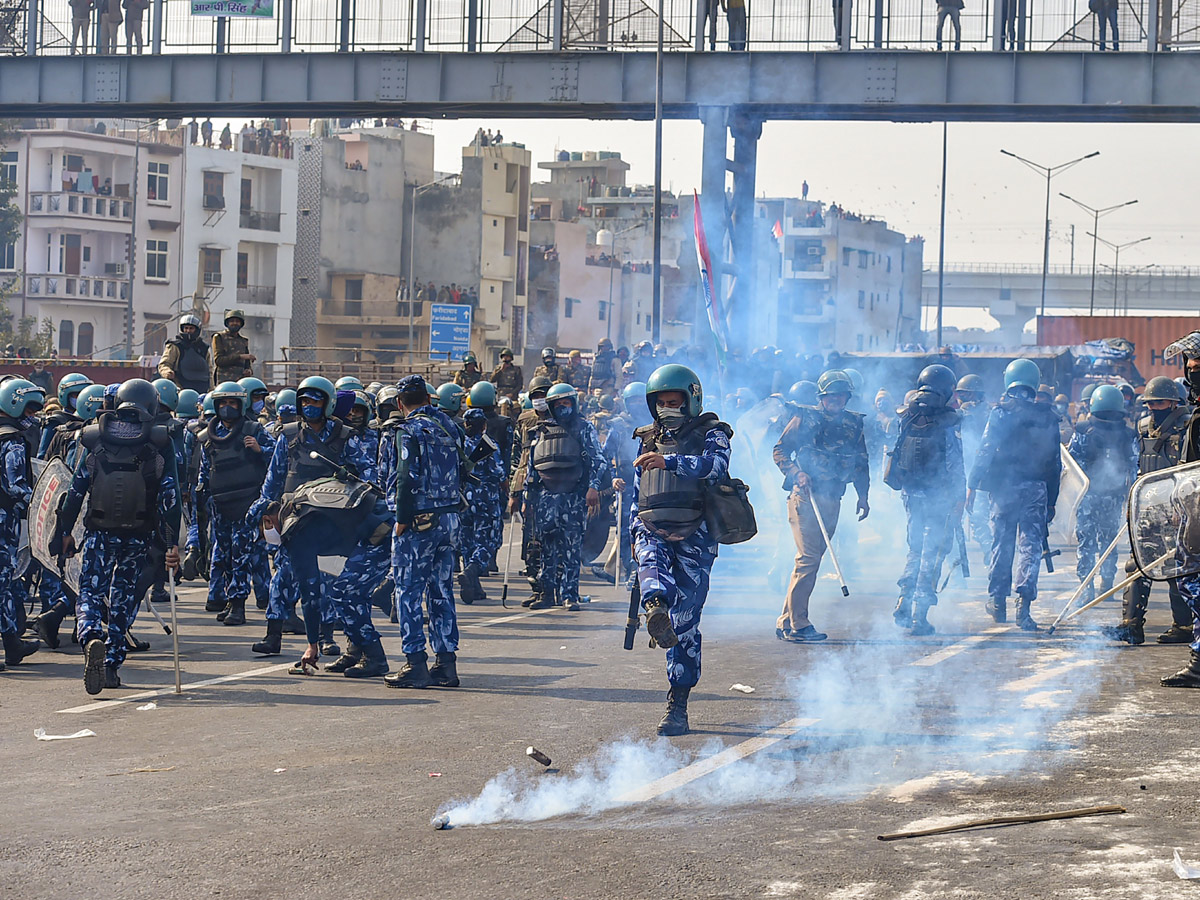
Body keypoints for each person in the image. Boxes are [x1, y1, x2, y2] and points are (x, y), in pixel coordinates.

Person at [250, 377, 392, 678]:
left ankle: (359, 650)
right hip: (300, 527)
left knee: (343, 590)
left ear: (327, 404)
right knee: (303, 586)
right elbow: (273, 482)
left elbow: (371, 481)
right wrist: (261, 509)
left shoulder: (347, 437)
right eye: (304, 401)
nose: (309, 407)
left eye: (315, 401)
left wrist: (349, 475)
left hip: (343, 527)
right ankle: (303, 639)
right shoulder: (287, 437)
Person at [53, 380, 181, 693]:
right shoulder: (160, 442)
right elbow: (171, 500)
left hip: (98, 533)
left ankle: (91, 636)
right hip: (138, 536)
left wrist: (65, 531)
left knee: (91, 593)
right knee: (123, 598)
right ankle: (110, 666)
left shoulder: (95, 437)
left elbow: (76, 490)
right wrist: (171, 544)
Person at [630, 364, 733, 735]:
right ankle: (655, 605)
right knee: (649, 561)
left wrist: (670, 461)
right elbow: (637, 491)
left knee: (685, 623)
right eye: (660, 403)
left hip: (695, 533)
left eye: (674, 402)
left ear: (691, 400)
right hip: (652, 524)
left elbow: (716, 468)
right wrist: (631, 529)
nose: (666, 410)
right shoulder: (646, 437)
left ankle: (678, 701)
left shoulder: (712, 432)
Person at [772, 370, 869, 642]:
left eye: (841, 395)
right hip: (805, 498)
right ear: (822, 397)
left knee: (809, 562)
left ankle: (785, 620)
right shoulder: (804, 417)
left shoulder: (854, 424)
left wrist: (863, 495)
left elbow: (862, 461)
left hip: (833, 498)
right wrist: (796, 473)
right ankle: (799, 625)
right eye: (831, 395)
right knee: (809, 559)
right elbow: (779, 450)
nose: (836, 400)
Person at [967, 359, 1061, 631]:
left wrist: (972, 485)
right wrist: (1052, 500)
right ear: (1034, 383)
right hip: (1036, 489)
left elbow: (984, 450)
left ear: (1008, 380)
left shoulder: (1000, 413)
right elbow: (1056, 463)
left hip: (1003, 489)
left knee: (1002, 543)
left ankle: (998, 602)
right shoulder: (1049, 417)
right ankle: (1024, 608)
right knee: (1030, 546)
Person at [384, 375, 465, 688]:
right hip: (449, 519)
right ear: (429, 400)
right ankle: (446, 664)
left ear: (401, 404)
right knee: (442, 590)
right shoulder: (449, 427)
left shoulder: (408, 430)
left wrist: (403, 516)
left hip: (419, 521)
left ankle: (414, 662)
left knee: (408, 590)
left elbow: (405, 476)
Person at [1106, 376, 1192, 647]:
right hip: (1150, 507)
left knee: (1177, 568)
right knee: (1137, 564)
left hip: (1179, 510)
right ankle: (1131, 625)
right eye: (1150, 402)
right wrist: (1133, 504)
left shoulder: (1188, 425)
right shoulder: (1143, 427)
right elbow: (1139, 469)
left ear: (1174, 401)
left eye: (1160, 402)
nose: (1154, 407)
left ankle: (1184, 625)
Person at [884, 366, 964, 636]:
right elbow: (955, 464)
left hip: (910, 495)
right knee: (934, 553)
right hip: (938, 498)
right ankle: (919, 615)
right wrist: (959, 499)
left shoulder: (905, 415)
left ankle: (903, 602)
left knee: (915, 550)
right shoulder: (948, 421)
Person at [519, 383, 604, 611]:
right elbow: (532, 467)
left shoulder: (584, 428)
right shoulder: (541, 431)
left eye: (566, 403)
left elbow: (599, 461)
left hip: (574, 496)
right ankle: (548, 593)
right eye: (557, 404)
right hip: (547, 498)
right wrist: (527, 498)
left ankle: (569, 595)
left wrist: (593, 488)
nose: (562, 408)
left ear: (573, 404)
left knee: (571, 549)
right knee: (546, 548)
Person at [197, 381, 274, 628]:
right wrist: (201, 495)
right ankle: (230, 599)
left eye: (232, 403)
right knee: (226, 553)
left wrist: (260, 449)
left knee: (242, 554)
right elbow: (205, 469)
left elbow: (278, 458)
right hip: (220, 503)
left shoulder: (254, 429)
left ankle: (239, 604)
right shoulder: (209, 435)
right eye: (223, 403)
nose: (227, 408)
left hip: (247, 503)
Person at [1067, 384, 1136, 608]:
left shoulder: (1083, 431)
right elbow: (1134, 467)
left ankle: (1086, 588)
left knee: (1086, 543)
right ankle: (1106, 585)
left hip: (1088, 497)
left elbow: (1070, 465)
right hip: (1113, 498)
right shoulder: (1128, 434)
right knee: (1108, 542)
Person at [0, 380, 44, 671]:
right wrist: (42, 501)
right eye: (29, 408)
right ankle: (12, 644)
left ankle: (12, 643)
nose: (33, 415)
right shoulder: (12, 441)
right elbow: (15, 485)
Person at [458, 409, 503, 605]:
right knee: (486, 541)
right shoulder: (489, 445)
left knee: (466, 540)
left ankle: (474, 586)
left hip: (464, 498)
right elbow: (497, 472)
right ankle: (472, 570)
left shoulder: (458, 444)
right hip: (485, 498)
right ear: (483, 424)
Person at [159, 313, 211, 394]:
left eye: (191, 328)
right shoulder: (174, 346)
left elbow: (210, 370)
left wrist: (211, 389)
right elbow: (164, 364)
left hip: (202, 389)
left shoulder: (203, 348)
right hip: (180, 387)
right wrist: (167, 372)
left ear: (197, 330)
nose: (188, 331)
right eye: (186, 328)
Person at [211, 309, 255, 384]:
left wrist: (249, 371)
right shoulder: (219, 337)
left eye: (237, 321)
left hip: (240, 382)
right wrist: (240, 356)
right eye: (232, 321)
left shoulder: (243, 341)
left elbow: (247, 364)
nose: (234, 323)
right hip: (224, 381)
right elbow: (219, 360)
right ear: (227, 323)